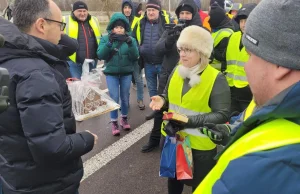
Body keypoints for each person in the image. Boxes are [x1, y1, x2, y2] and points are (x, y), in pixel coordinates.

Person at [194, 1, 300, 193]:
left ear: (282, 65)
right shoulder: (276, 102)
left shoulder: (262, 169)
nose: (245, 66)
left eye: (251, 56)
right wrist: (230, 130)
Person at [0, 0, 98, 193]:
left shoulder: (9, 59)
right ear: (42, 25)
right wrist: (87, 139)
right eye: (60, 25)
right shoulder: (37, 73)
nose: (62, 32)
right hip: (46, 184)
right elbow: (52, 147)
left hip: (15, 176)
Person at [150, 25, 230, 193]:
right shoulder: (177, 70)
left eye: (188, 50)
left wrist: (189, 121)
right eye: (181, 49)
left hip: (199, 147)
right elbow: (168, 96)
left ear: (202, 52)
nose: (182, 54)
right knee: (173, 183)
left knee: (199, 187)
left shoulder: (216, 78)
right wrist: (162, 100)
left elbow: (222, 114)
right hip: (173, 140)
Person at [141, 0, 202, 153]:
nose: (184, 16)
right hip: (168, 76)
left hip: (190, 78)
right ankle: (155, 140)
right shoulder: (171, 29)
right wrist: (170, 40)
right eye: (182, 13)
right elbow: (158, 49)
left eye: (188, 13)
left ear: (193, 15)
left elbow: (206, 53)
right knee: (161, 110)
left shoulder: (199, 32)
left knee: (184, 112)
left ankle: (182, 144)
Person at [97, 13, 139, 136]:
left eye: (121, 27)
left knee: (125, 98)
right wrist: (109, 44)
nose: (119, 29)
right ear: (112, 28)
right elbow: (100, 55)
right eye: (116, 27)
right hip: (111, 73)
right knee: (114, 98)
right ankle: (114, 121)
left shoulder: (131, 40)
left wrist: (131, 44)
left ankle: (124, 118)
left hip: (126, 73)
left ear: (125, 28)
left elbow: (135, 56)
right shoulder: (105, 39)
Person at [132, 0, 171, 100]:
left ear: (158, 11)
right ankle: (155, 111)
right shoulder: (141, 23)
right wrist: (139, 49)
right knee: (152, 91)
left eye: (153, 10)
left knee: (164, 91)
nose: (151, 12)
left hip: (162, 63)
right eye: (149, 10)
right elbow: (133, 39)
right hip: (148, 64)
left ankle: (163, 113)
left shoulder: (166, 22)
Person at [225, 3, 256, 115]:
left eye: (246, 21)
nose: (243, 24)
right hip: (231, 89)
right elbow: (226, 60)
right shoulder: (233, 37)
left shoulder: (258, 40)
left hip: (249, 92)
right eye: (241, 21)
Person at [63, 1, 101, 79]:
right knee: (77, 87)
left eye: (84, 11)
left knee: (90, 86)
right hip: (74, 62)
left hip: (92, 61)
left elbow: (99, 37)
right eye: (79, 11)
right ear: (73, 12)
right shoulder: (65, 20)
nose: (82, 13)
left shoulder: (94, 20)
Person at [122, 0, 146, 110]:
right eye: (125, 7)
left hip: (136, 55)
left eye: (129, 7)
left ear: (132, 9)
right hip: (123, 56)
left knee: (139, 79)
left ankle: (140, 99)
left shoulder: (138, 20)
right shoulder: (119, 20)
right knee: (124, 80)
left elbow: (141, 38)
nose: (127, 10)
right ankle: (125, 102)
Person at [209, 2, 234, 72]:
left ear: (216, 19)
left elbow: (224, 57)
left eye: (210, 17)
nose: (208, 20)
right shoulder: (217, 29)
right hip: (213, 71)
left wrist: (210, 50)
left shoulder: (226, 34)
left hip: (219, 72)